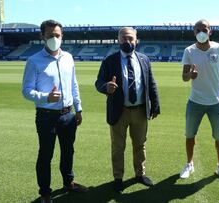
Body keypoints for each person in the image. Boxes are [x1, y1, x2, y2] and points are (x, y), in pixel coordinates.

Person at [22, 19, 88, 203]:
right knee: (45, 155)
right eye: (50, 35)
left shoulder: (68, 57)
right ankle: (45, 193)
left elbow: (74, 84)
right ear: (42, 36)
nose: (54, 38)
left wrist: (79, 108)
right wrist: (46, 97)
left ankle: (69, 183)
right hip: (46, 116)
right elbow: (26, 91)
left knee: (68, 151)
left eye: (57, 35)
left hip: (68, 115)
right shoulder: (34, 61)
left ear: (62, 36)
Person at [95, 27, 160, 193]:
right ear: (118, 40)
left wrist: (155, 104)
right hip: (119, 111)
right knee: (118, 147)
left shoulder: (144, 59)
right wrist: (106, 87)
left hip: (140, 110)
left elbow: (151, 83)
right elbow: (99, 82)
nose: (127, 42)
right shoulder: (109, 60)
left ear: (136, 40)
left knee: (140, 145)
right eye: (124, 39)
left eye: (131, 38)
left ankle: (140, 174)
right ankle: (118, 177)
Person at [179, 19, 219, 183]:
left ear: (210, 31)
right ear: (194, 32)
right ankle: (189, 164)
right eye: (198, 30)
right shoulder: (189, 51)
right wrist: (190, 75)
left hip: (216, 102)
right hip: (195, 101)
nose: (201, 32)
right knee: (190, 135)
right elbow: (184, 77)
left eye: (204, 29)